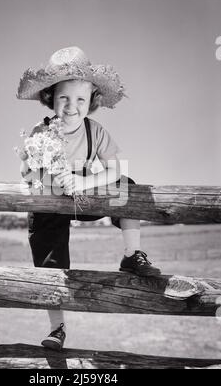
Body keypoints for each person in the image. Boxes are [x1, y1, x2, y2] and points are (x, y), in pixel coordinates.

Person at [17, 46, 161, 351]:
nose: (72, 106)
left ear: (92, 101)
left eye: (80, 99)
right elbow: (25, 172)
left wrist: (83, 181)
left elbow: (116, 168)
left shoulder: (95, 131)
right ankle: (57, 328)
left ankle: (131, 254)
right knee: (50, 264)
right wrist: (46, 176)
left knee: (127, 186)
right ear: (50, 98)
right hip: (49, 201)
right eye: (64, 98)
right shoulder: (40, 131)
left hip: (83, 194)